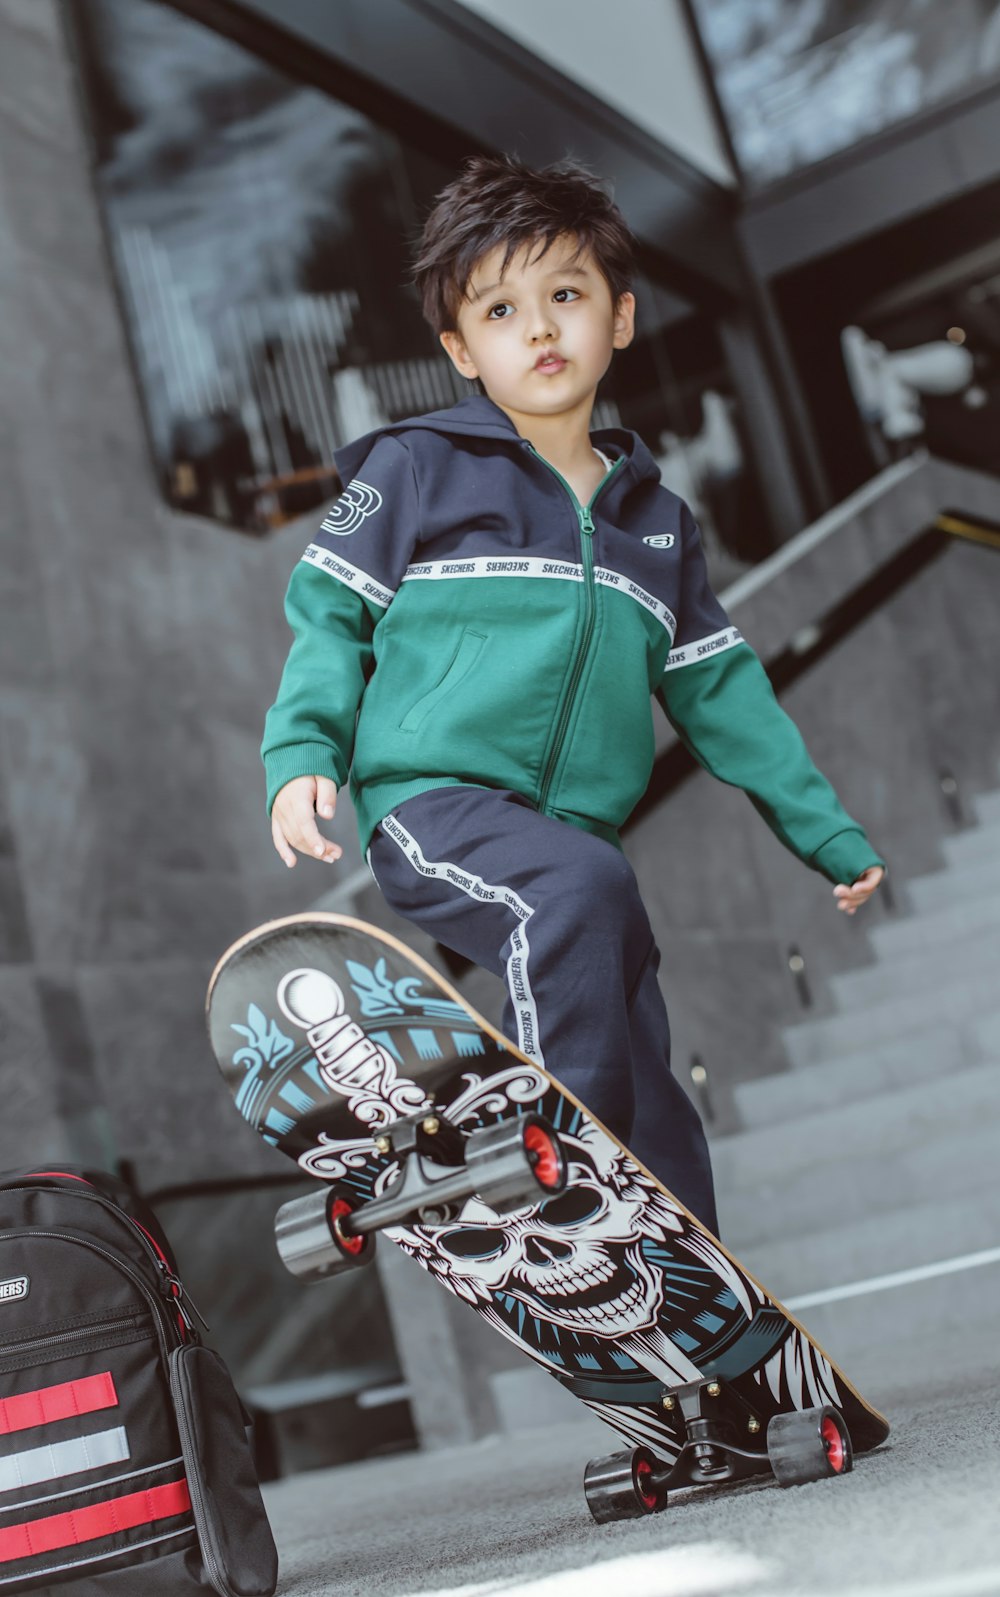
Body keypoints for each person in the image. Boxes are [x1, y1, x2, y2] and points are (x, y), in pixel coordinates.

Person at [261, 154, 885, 1238]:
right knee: (577, 894)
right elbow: (327, 616)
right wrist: (301, 754)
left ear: (621, 318)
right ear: (462, 350)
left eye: (566, 295)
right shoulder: (415, 469)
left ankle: (689, 1270)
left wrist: (827, 834)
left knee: (640, 1040)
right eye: (502, 310)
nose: (540, 328)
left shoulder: (660, 526)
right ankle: (546, 1163)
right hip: (433, 806)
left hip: (574, 845)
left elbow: (727, 697)